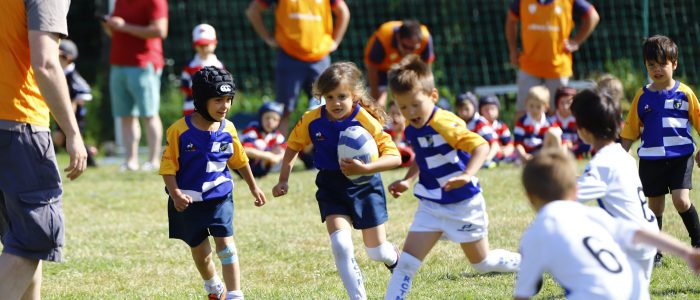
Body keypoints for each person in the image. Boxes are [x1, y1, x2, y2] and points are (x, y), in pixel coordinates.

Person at [384, 55, 520, 299]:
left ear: (433, 96)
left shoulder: (445, 122)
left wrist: (468, 175)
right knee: (405, 265)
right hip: (431, 205)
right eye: (403, 107)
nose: (410, 112)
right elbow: (423, 156)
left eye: (415, 104)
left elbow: (481, 146)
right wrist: (408, 179)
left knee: (482, 263)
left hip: (463, 203)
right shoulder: (412, 127)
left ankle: (528, 264)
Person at [272, 62, 401, 299]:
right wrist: (283, 180)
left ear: (354, 95)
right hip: (331, 185)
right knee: (341, 245)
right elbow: (292, 146)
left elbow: (394, 157)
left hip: (365, 185)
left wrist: (366, 168)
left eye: (342, 96)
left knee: (376, 251)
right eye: (329, 97)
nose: (336, 103)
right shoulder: (312, 119)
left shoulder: (365, 119)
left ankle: (394, 257)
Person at [515, 149, 700, 300]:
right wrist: (687, 252)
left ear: (530, 197)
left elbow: (522, 295)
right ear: (574, 190)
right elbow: (640, 233)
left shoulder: (535, 233)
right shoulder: (594, 214)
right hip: (634, 290)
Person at [0, 1, 87, 299]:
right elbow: (47, 63)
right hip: (17, 122)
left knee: (21, 239)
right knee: (37, 234)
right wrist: (73, 132)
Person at [159, 66, 266, 300]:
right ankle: (213, 286)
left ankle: (235, 294)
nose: (225, 106)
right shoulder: (179, 131)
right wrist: (176, 194)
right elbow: (167, 168)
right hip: (188, 203)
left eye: (228, 100)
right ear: (201, 100)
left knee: (226, 247)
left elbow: (240, 160)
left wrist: (253, 186)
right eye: (218, 100)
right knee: (202, 254)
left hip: (220, 198)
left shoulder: (228, 128)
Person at [620, 35, 700, 266]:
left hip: (680, 157)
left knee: (681, 200)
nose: (656, 69)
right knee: (655, 208)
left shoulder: (685, 93)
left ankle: (697, 241)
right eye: (651, 65)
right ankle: (655, 253)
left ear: (674, 64)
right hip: (651, 160)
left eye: (662, 64)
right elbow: (630, 130)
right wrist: (619, 153)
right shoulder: (642, 96)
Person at [571, 89, 659, 293]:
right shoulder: (623, 156)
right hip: (648, 235)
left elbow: (571, 197)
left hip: (630, 243)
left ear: (584, 130)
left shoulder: (601, 163)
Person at [246, 0, 350, 136]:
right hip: (289, 56)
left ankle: (325, 150)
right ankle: (279, 151)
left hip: (320, 57)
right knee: (283, 110)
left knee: (328, 107)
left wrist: (335, 41)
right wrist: (267, 38)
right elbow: (253, 10)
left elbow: (343, 12)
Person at [102, 0, 168, 171]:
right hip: (118, 63)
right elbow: (115, 32)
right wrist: (110, 26)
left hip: (144, 64)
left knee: (149, 114)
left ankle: (153, 160)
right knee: (125, 115)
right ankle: (130, 161)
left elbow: (160, 30)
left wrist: (124, 26)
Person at [505, 0, 600, 118]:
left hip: (558, 67)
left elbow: (593, 16)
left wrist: (576, 41)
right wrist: (513, 50)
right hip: (529, 66)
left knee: (559, 112)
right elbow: (511, 20)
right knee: (523, 112)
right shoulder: (523, 2)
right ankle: (522, 135)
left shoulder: (569, 2)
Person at [364, 20, 435, 108]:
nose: (409, 52)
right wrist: (375, 98)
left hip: (409, 67)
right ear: (398, 37)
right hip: (381, 69)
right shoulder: (383, 37)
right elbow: (372, 68)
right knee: (378, 104)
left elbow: (426, 71)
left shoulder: (426, 39)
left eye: (413, 48)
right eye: (406, 47)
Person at [55, 39, 98, 167]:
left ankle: (88, 158)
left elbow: (84, 91)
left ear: (67, 58)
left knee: (64, 138)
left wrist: (74, 103)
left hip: (75, 118)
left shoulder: (73, 76)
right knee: (59, 139)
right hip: (62, 115)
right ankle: (88, 151)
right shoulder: (59, 74)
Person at [181, 24, 225, 116]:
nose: (204, 48)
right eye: (200, 45)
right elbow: (184, 88)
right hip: (191, 108)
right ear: (195, 45)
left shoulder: (219, 67)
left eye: (206, 44)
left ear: (214, 44)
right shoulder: (189, 66)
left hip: (214, 109)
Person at [513, 85, 561, 162]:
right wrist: (524, 155)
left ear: (546, 107)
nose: (534, 110)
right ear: (526, 104)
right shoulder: (521, 123)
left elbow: (559, 140)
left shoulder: (550, 123)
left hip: (544, 155)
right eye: (531, 106)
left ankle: (558, 161)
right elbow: (518, 144)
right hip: (527, 155)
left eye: (538, 107)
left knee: (553, 132)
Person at [240, 102, 287, 177]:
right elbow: (245, 150)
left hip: (263, 169)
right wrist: (268, 155)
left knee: (280, 150)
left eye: (275, 119)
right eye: (267, 118)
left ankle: (266, 169)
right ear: (260, 117)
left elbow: (288, 151)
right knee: (260, 144)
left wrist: (277, 157)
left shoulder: (277, 136)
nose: (270, 122)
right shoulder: (252, 130)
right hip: (244, 168)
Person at [454, 92, 500, 168]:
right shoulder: (458, 123)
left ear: (474, 107)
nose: (463, 112)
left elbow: (494, 145)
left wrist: (487, 159)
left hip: (486, 158)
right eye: (460, 109)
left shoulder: (479, 123)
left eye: (466, 109)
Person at [552, 87, 590, 158]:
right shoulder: (551, 120)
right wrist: (564, 143)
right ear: (557, 104)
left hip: (575, 148)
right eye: (562, 103)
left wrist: (574, 145)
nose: (565, 106)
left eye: (568, 103)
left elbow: (582, 139)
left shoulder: (579, 120)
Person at [479, 95, 516, 163]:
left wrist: (508, 149)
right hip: (487, 152)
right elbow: (492, 144)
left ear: (498, 110)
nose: (490, 112)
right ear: (480, 111)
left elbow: (509, 141)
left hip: (500, 152)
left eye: (492, 109)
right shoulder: (479, 124)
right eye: (486, 109)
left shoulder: (501, 126)